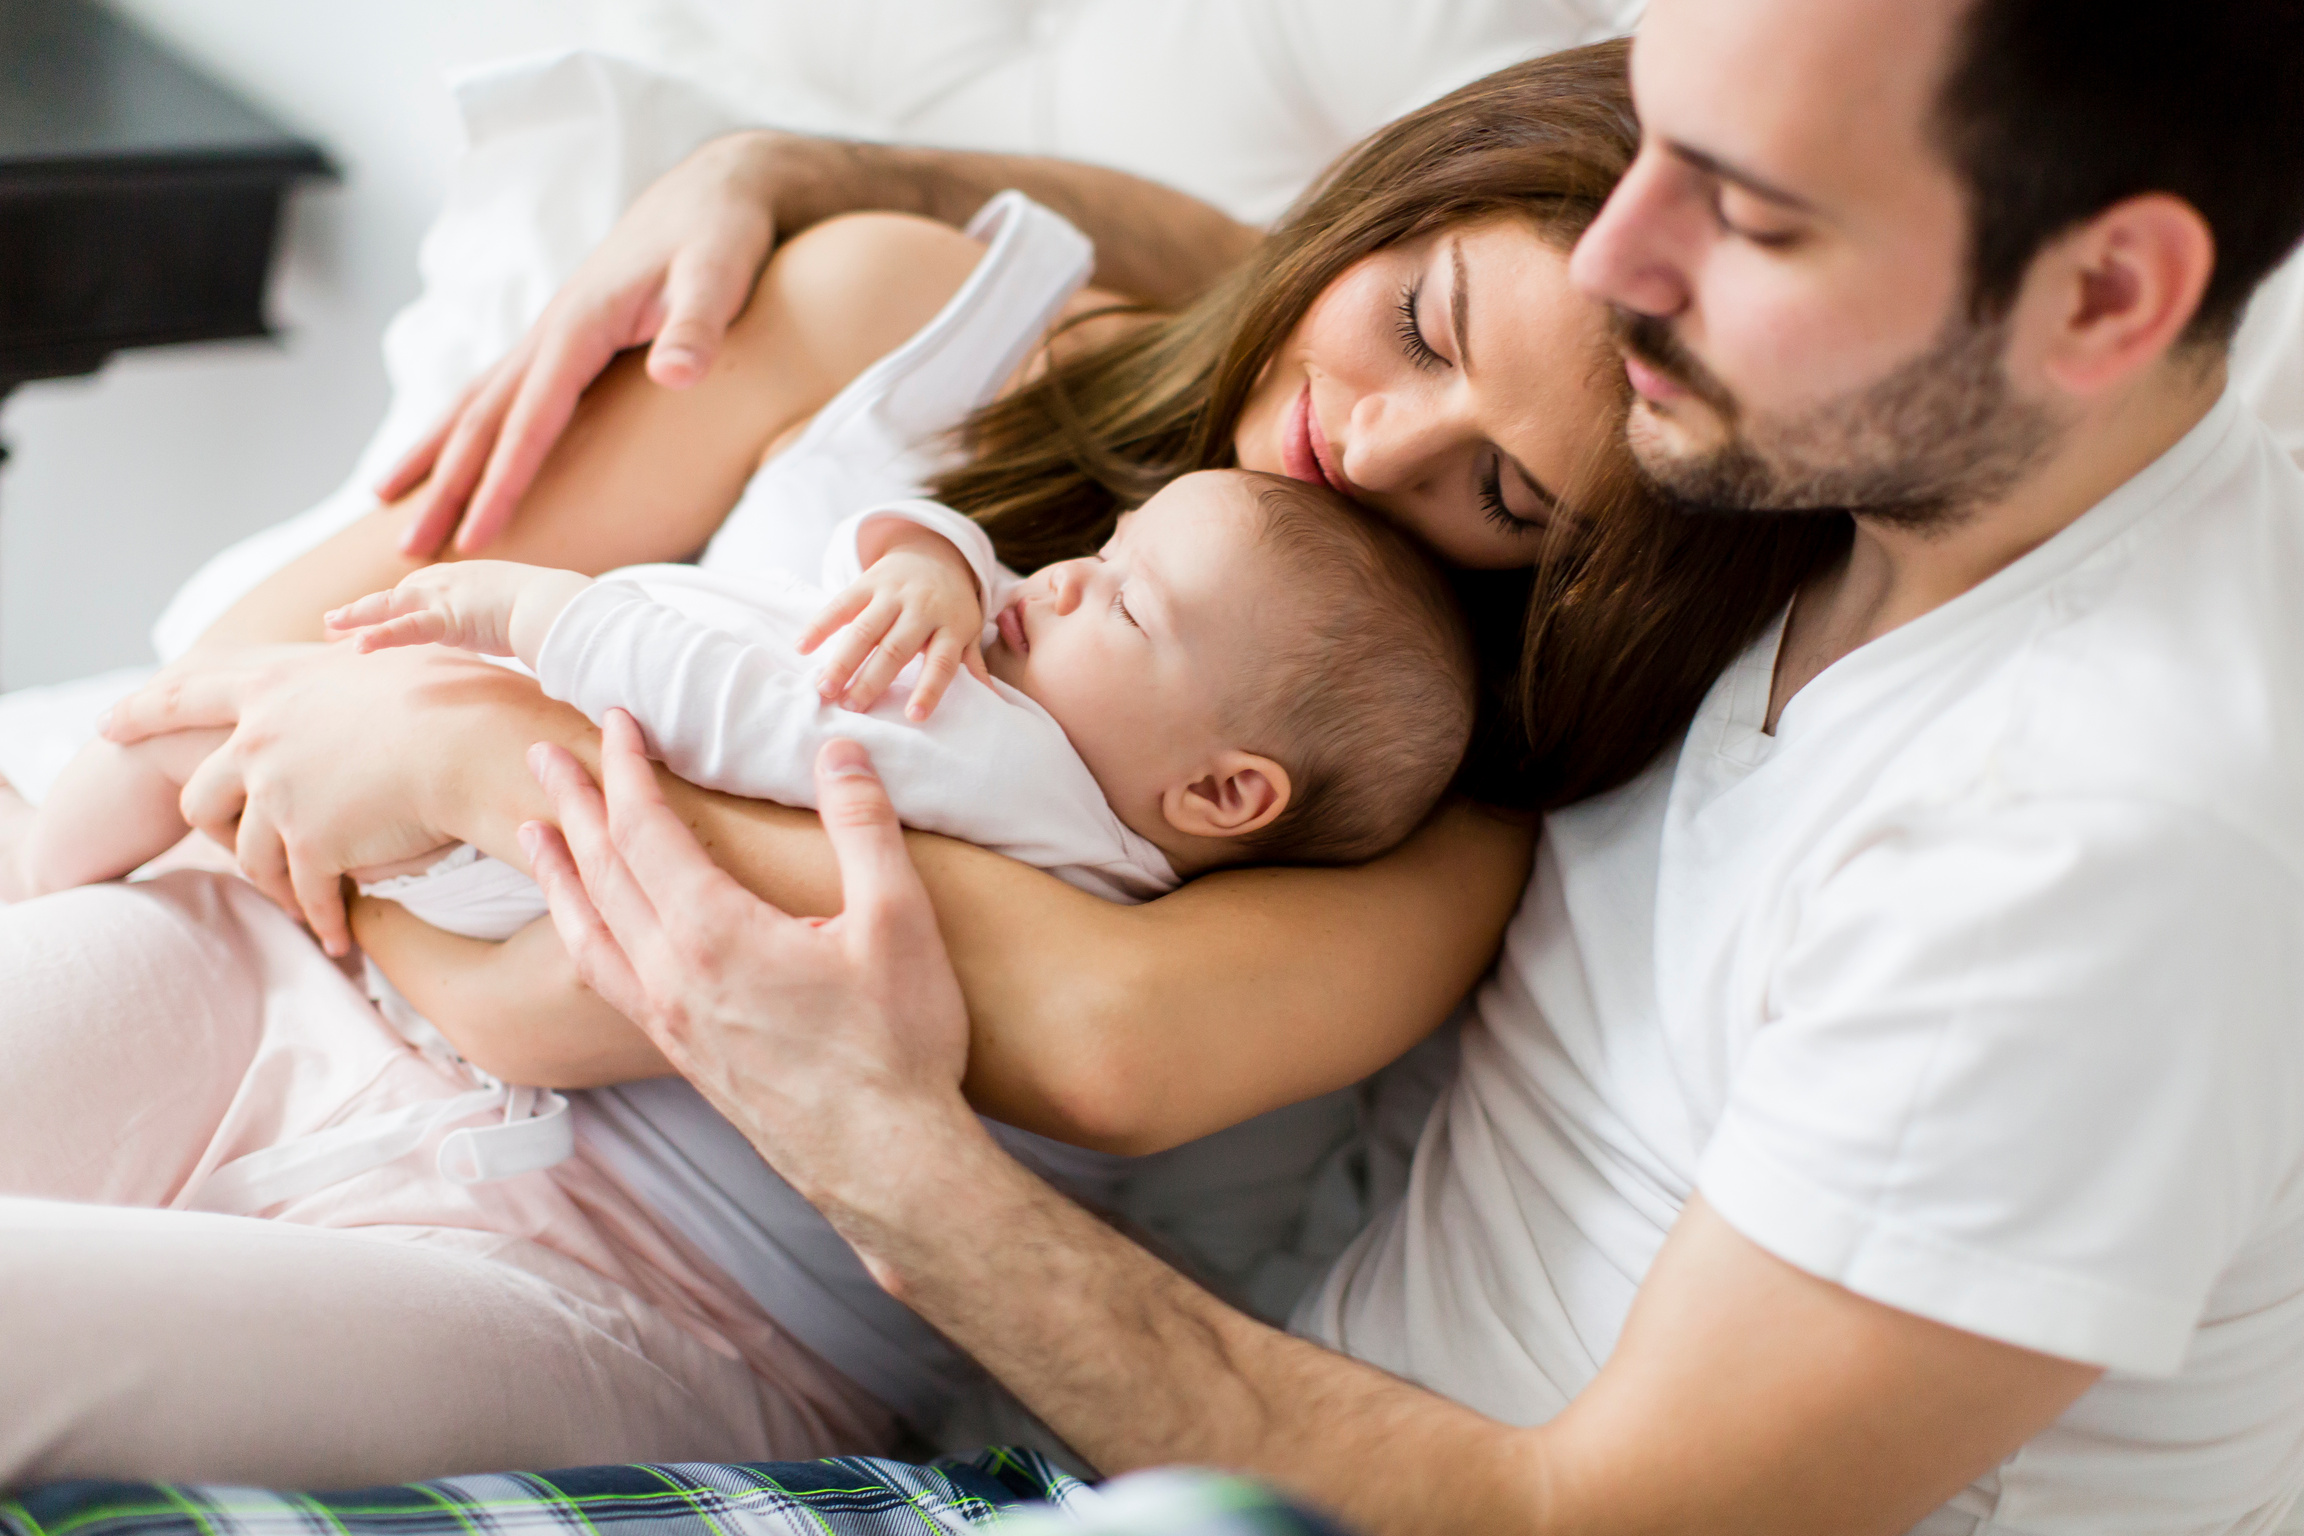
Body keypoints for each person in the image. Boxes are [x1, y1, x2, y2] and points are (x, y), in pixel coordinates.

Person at [426, 0, 2304, 1531]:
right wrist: (813, 170)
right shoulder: (1807, 444)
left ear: (2105, 299)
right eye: (1652, 130)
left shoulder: (2094, 847)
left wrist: (882, 1150)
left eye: (1750, 213)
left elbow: (1593, 1526)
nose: (1623, 261)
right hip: (1146, 1453)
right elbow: (1319, 291)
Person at [0, 43, 1839, 1488]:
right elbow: (338, 622)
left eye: (1506, 492)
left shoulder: (1430, 822)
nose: (1369, 447)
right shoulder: (914, 315)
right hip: (271, 964)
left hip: (635, 1300)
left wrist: (508, 760)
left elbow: (1113, 1040)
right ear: (1383, 208)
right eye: (1419, 326)